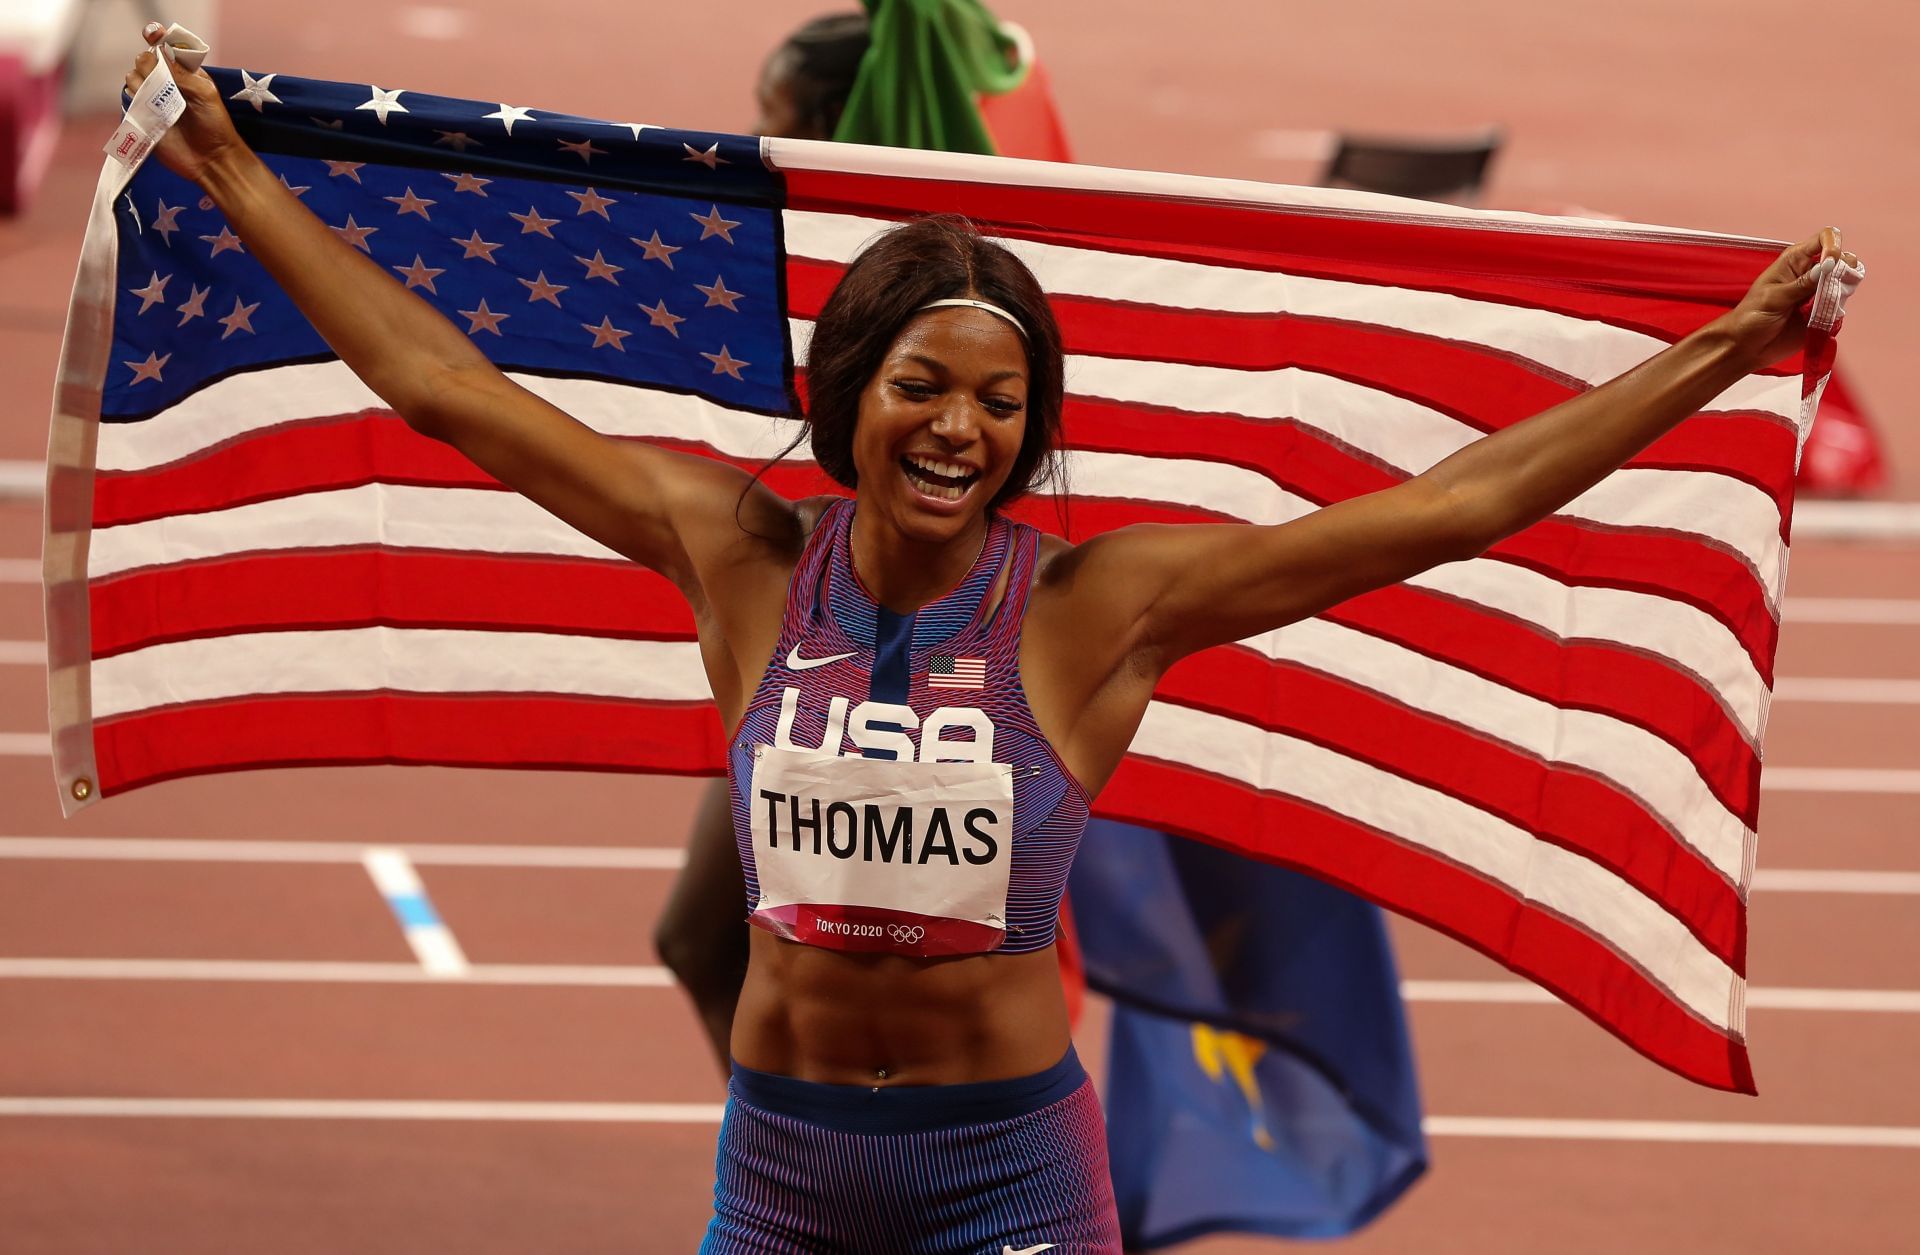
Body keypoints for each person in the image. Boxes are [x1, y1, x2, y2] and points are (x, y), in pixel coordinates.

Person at [127, 24, 1849, 1254]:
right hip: (786, 1175)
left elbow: (1447, 511)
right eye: (926, 388)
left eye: (1003, 406)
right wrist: (225, 169)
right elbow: (448, 390)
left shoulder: (1104, 603)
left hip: (1007, 1182)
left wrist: (1718, 348)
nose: (961, 430)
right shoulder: (736, 558)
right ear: (852, 396)